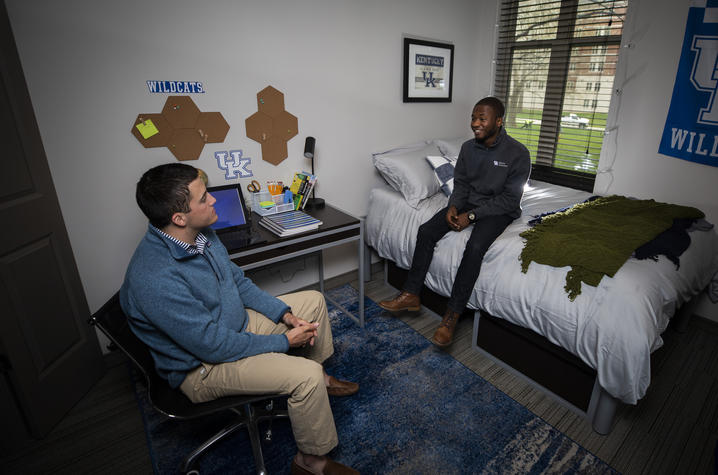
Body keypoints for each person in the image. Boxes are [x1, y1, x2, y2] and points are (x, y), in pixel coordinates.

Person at [120, 163, 359, 475]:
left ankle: (321, 381)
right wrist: (284, 341)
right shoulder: (155, 278)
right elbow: (213, 346)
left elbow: (238, 282)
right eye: (204, 198)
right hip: (203, 367)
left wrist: (284, 316)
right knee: (304, 374)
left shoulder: (202, 234)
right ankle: (310, 462)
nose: (214, 201)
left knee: (312, 301)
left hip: (232, 324)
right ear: (179, 218)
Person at [379, 97, 531, 347]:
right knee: (426, 231)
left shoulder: (518, 154)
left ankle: (451, 315)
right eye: (473, 118)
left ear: (499, 121)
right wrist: (453, 206)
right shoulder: (469, 148)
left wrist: (470, 216)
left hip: (499, 210)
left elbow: (510, 200)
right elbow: (461, 184)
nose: (475, 123)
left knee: (474, 247)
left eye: (482, 119)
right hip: (469, 201)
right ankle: (411, 293)